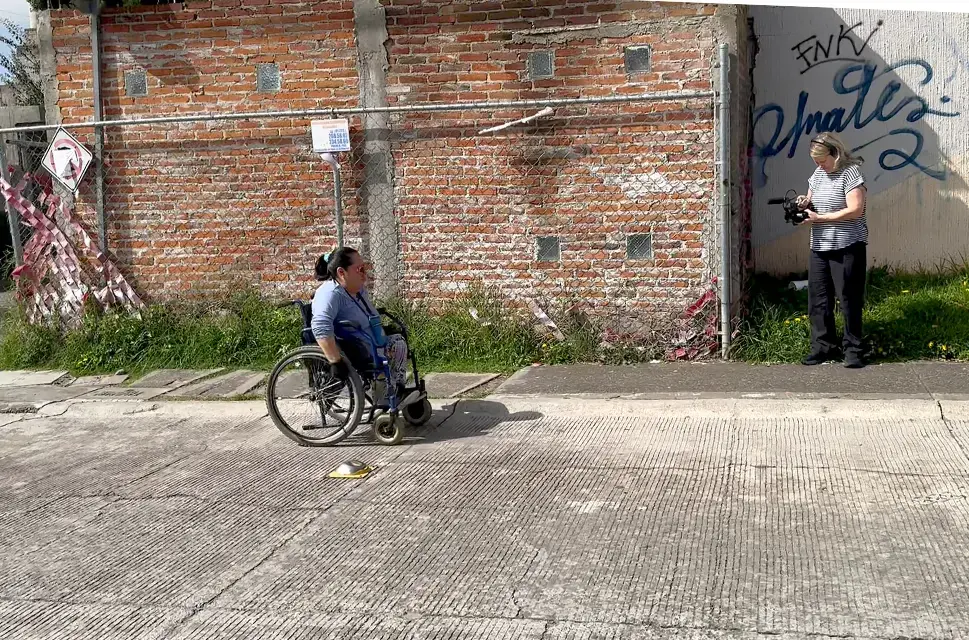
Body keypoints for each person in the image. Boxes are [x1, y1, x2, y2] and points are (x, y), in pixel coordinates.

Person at [794, 131, 869, 368]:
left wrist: (822, 218)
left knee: (848, 297)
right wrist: (804, 203)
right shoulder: (818, 174)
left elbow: (855, 209)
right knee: (818, 299)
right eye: (815, 162)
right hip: (820, 246)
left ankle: (853, 349)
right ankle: (822, 346)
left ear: (834, 154)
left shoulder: (850, 173)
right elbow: (811, 199)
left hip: (847, 245)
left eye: (822, 161)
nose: (819, 165)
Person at [310, 247, 409, 394]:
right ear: (341, 273)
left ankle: (394, 389)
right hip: (357, 348)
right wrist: (335, 361)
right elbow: (320, 326)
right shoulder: (329, 294)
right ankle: (387, 393)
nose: (365, 274)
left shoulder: (356, 290)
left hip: (370, 341)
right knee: (398, 345)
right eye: (359, 269)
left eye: (364, 268)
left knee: (399, 341)